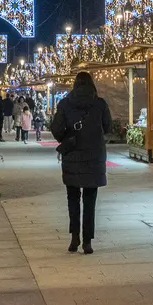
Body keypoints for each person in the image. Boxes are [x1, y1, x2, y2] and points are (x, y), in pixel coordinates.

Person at [52, 72, 111, 255]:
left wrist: (67, 138)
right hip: (94, 157)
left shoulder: (65, 104)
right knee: (90, 200)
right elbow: (107, 127)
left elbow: (56, 129)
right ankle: (87, 242)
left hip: (72, 157)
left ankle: (74, 237)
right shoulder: (100, 104)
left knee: (73, 198)